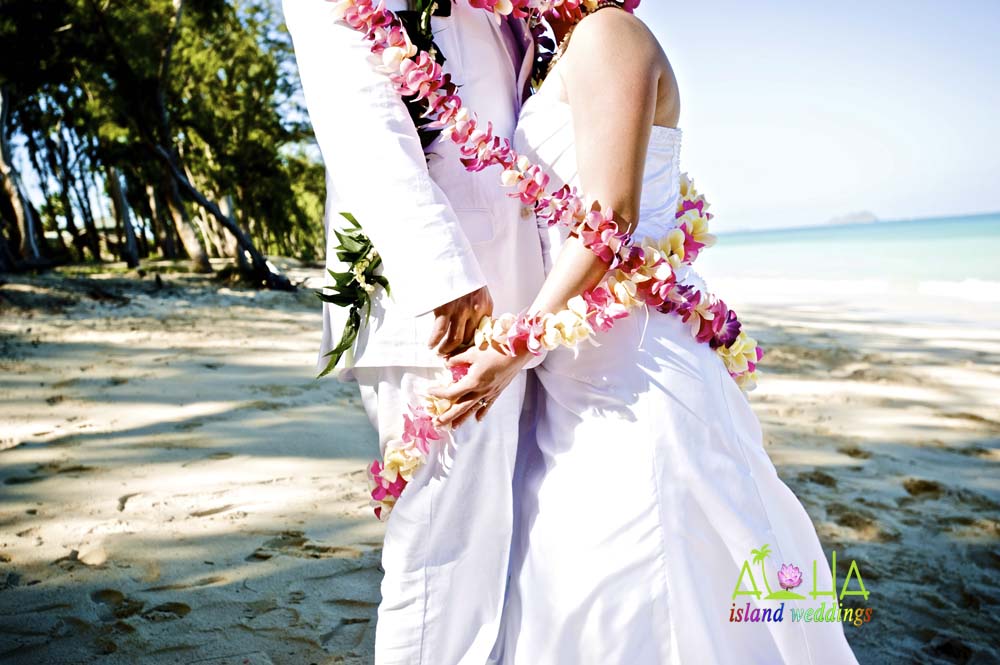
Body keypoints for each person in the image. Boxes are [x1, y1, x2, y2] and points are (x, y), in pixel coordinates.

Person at [432, 4, 861, 663]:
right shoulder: (562, 54)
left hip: (635, 375)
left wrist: (513, 348)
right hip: (578, 375)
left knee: (646, 580)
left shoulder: (610, 35)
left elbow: (610, 220)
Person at [283, 1, 544, 663]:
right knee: (443, 550)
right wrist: (440, 270)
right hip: (438, 309)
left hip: (516, 297)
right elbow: (358, 108)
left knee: (500, 544)